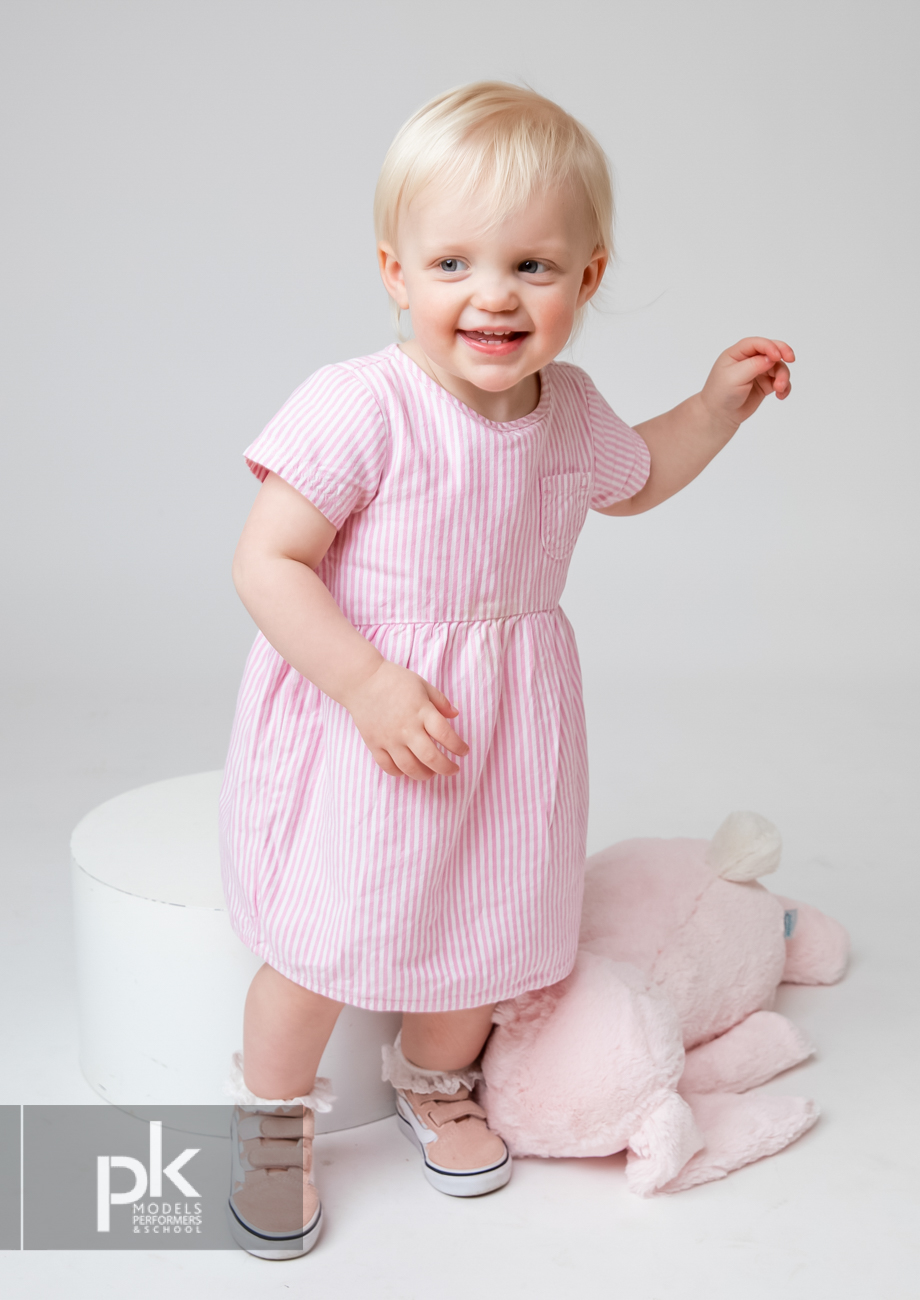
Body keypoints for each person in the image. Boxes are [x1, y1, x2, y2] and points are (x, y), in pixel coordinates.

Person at [219, 81, 794, 1257]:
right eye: (452, 264)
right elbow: (267, 562)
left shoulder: (567, 407)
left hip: (507, 725)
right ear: (395, 273)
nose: (492, 295)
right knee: (325, 935)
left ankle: (435, 1082)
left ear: (586, 278)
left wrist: (712, 409)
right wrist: (366, 683)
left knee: (488, 921)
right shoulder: (362, 406)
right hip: (374, 717)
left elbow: (635, 477)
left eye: (532, 266)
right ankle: (272, 1120)